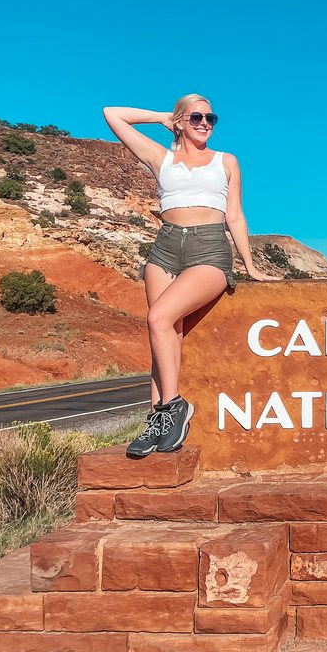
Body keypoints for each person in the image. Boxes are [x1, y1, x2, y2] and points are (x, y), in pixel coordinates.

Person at [102, 95, 280, 457]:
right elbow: (112, 114)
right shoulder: (161, 158)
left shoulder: (226, 161)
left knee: (159, 317)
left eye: (211, 117)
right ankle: (157, 422)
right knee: (164, 333)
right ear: (181, 121)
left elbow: (235, 216)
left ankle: (174, 408)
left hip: (209, 250)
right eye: (196, 116)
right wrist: (163, 117)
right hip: (165, 249)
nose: (205, 123)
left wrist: (249, 265)